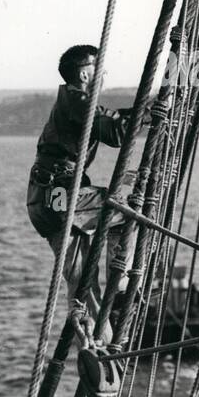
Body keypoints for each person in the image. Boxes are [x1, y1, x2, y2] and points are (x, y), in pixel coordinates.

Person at [26, 44, 137, 326]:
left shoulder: (72, 101)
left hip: (45, 202)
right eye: (100, 69)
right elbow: (116, 132)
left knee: (83, 286)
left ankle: (93, 348)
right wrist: (152, 115)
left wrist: (143, 112)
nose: (105, 74)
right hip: (62, 198)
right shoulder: (78, 102)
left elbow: (111, 119)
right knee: (128, 212)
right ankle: (122, 281)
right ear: (86, 75)